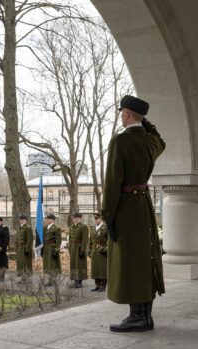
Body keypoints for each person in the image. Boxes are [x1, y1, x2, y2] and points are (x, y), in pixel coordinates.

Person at [102, 94, 165, 332]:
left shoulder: (120, 141)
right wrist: (146, 124)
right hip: (144, 207)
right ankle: (145, 316)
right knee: (144, 259)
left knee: (129, 262)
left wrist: (108, 216)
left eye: (122, 113)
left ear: (127, 114)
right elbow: (161, 140)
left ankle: (138, 317)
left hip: (126, 208)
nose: (121, 116)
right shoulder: (149, 142)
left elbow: (112, 183)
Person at [68, 212, 89, 288]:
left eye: (76, 218)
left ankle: (79, 282)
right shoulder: (72, 227)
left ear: (79, 218)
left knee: (79, 264)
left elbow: (85, 239)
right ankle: (75, 280)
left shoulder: (83, 227)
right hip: (73, 247)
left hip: (79, 248)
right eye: (73, 218)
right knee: (74, 264)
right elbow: (70, 239)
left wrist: (83, 250)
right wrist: (70, 248)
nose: (74, 219)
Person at [89, 213, 107, 292]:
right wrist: (89, 250)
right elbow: (90, 241)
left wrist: (106, 248)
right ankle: (97, 285)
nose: (96, 220)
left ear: (101, 219)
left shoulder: (105, 228)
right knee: (95, 268)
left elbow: (109, 240)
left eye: (97, 219)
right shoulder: (92, 228)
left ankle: (103, 285)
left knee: (102, 269)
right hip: (94, 251)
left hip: (102, 251)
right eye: (95, 219)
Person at [43, 213, 61, 286]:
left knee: (52, 264)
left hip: (52, 248)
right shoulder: (45, 227)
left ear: (53, 220)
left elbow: (58, 240)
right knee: (48, 264)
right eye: (47, 219)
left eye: (49, 219)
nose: (47, 220)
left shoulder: (56, 228)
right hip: (46, 248)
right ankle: (50, 280)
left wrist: (56, 250)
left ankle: (52, 280)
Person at [15, 214, 33, 282]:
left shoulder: (27, 228)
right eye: (20, 219)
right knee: (21, 263)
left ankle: (25, 278)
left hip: (25, 248)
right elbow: (17, 239)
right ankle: (23, 278)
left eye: (22, 219)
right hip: (20, 248)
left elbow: (30, 239)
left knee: (26, 263)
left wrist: (27, 249)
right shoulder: (20, 228)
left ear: (25, 220)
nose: (20, 221)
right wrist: (16, 248)